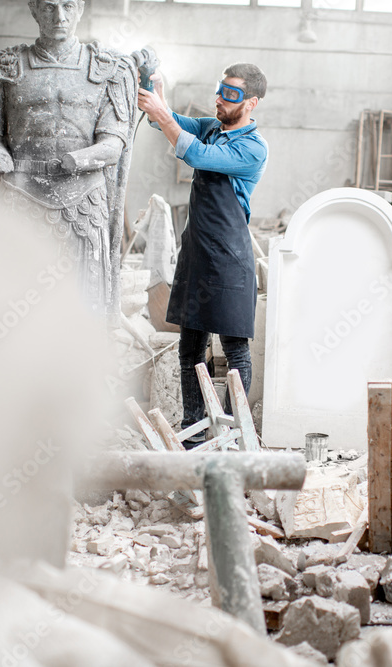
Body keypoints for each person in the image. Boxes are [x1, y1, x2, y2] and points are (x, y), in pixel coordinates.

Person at [0, 0, 138, 315]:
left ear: (81, 9)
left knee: (80, 303)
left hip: (83, 202)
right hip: (19, 194)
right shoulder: (5, 66)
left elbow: (114, 143)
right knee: (13, 301)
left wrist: (77, 160)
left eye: (68, 6)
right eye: (49, 7)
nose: (59, 16)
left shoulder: (107, 69)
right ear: (34, 10)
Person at [137, 63, 268, 446]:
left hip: (228, 259)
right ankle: (194, 431)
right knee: (190, 348)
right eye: (220, 90)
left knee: (234, 350)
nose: (219, 99)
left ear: (251, 102)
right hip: (196, 253)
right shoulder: (212, 126)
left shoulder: (251, 148)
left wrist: (162, 113)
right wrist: (156, 87)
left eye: (230, 94)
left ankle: (233, 434)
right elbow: (169, 122)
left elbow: (194, 155)